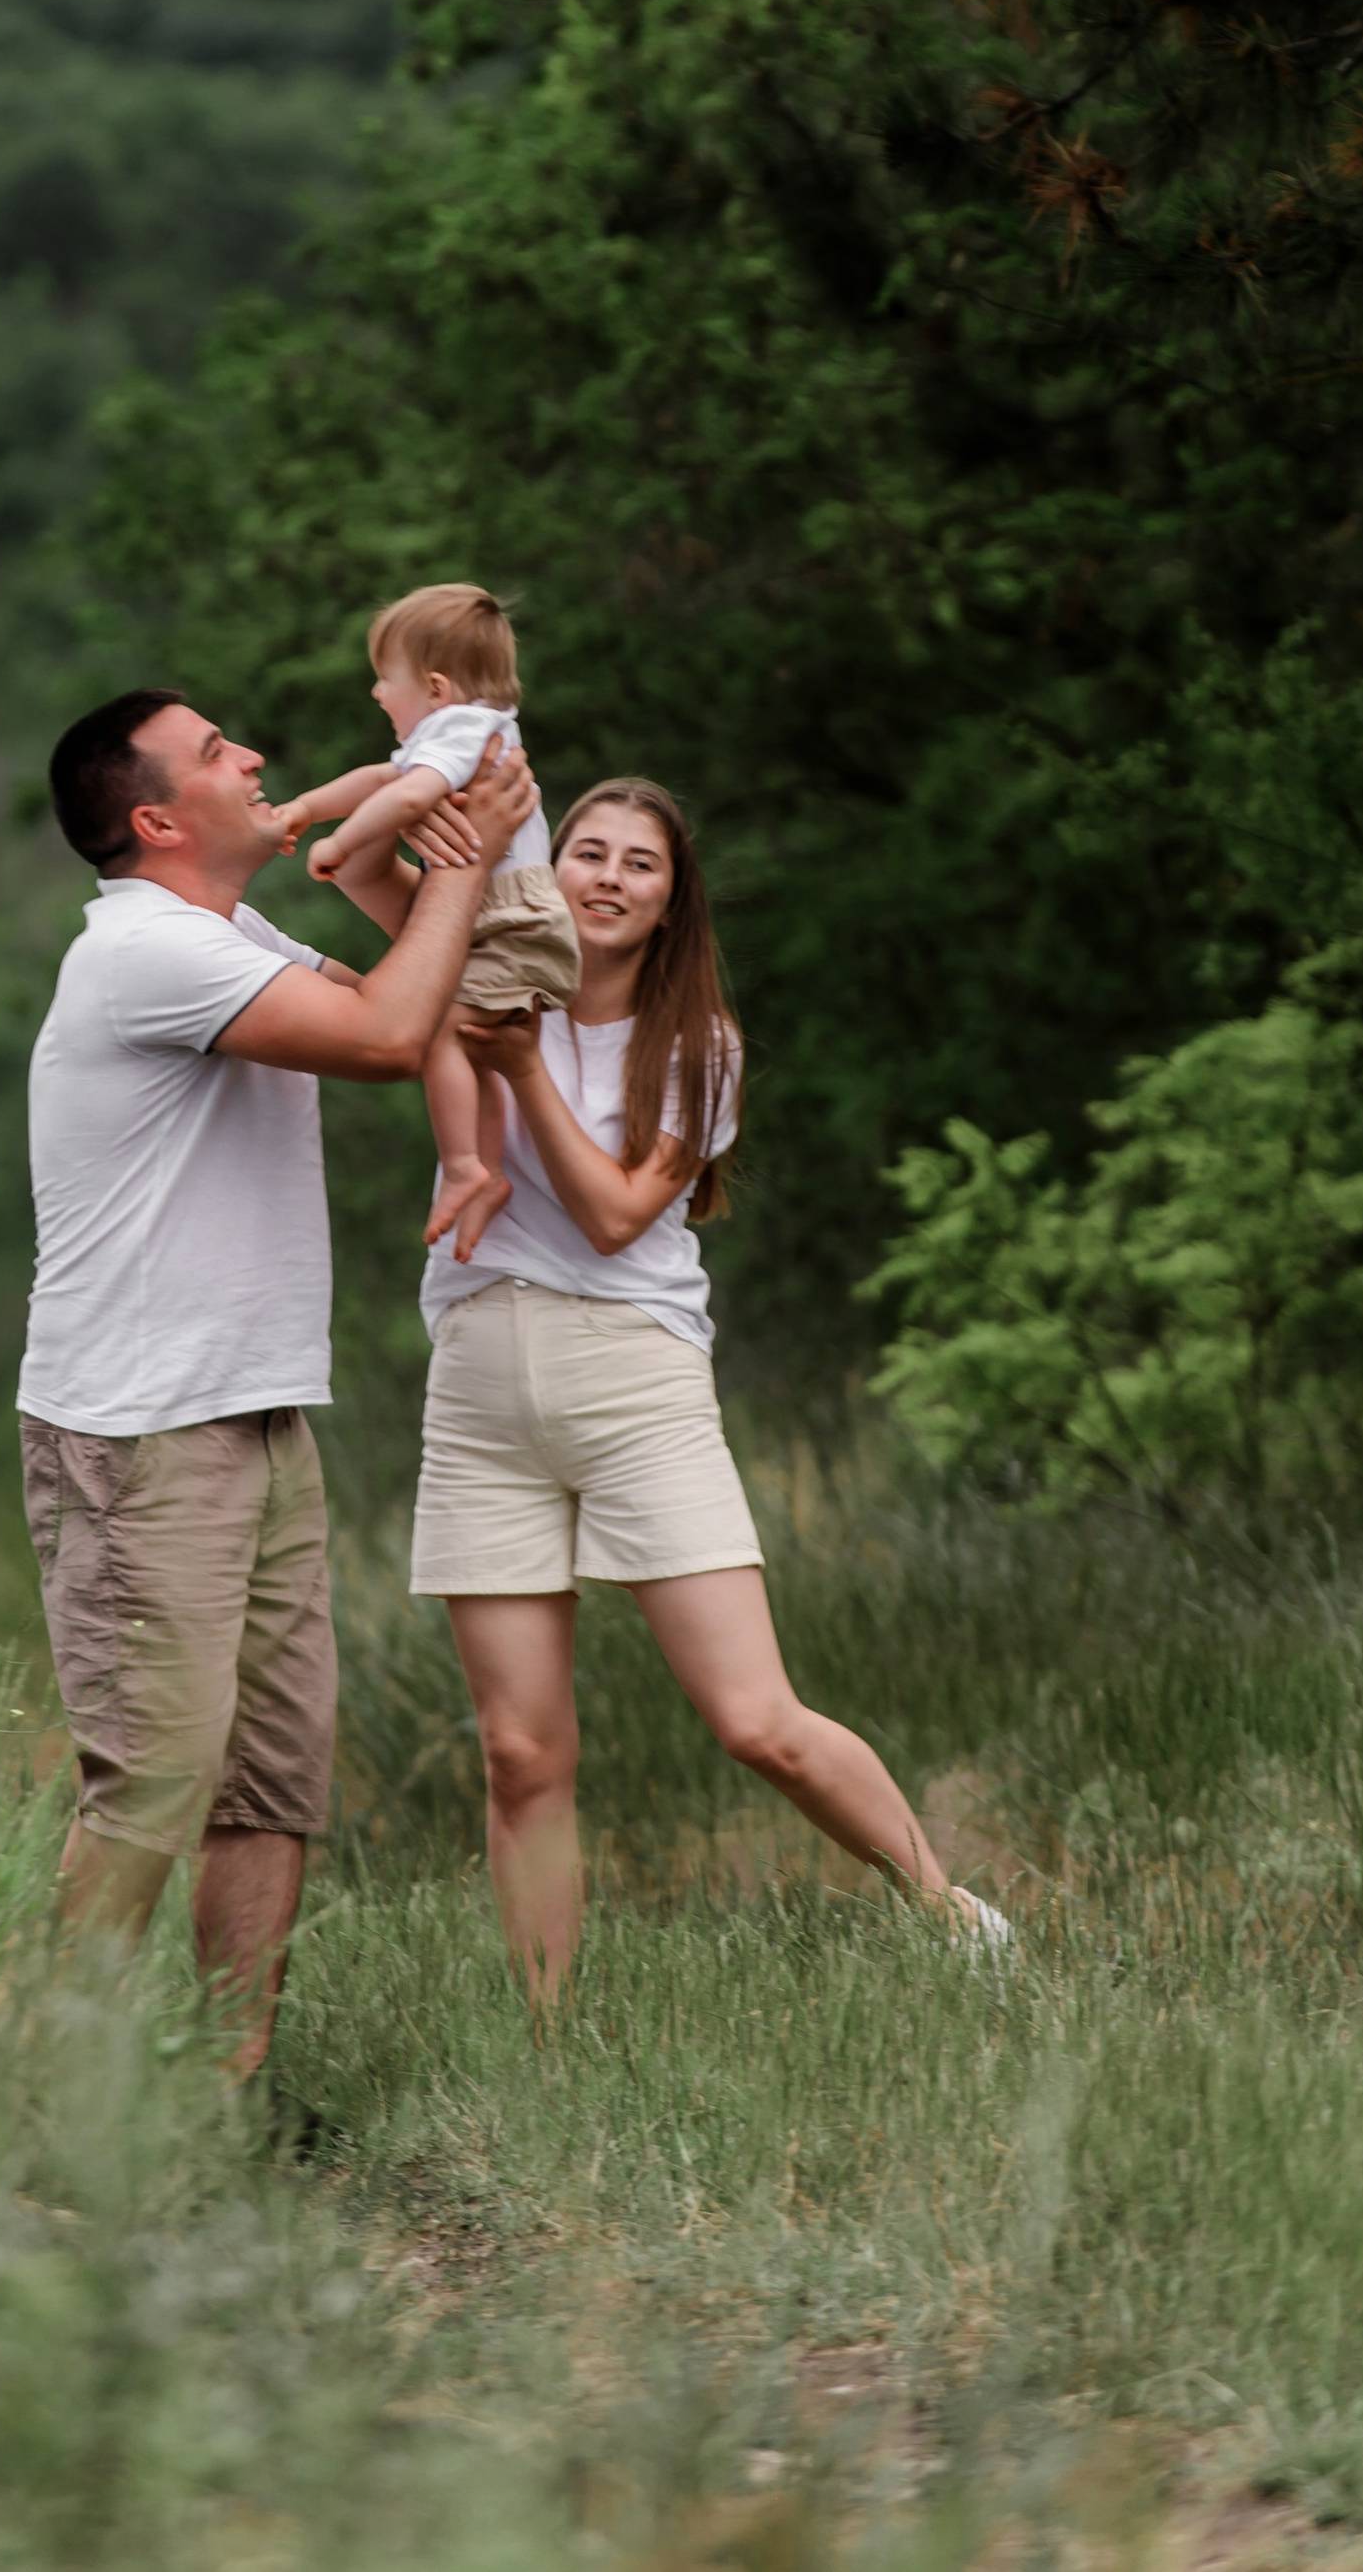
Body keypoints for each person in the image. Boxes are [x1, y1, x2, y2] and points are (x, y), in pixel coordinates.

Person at [410, 775, 1011, 2000]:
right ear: (551, 868)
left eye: (642, 863)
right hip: (477, 1381)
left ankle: (949, 1915)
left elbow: (619, 1215)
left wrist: (526, 1071)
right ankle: (546, 2042)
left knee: (754, 1721)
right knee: (520, 1753)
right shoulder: (479, 984)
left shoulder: (697, 1046)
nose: (609, 877)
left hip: (633, 1381)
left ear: (673, 901)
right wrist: (424, 780)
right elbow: (378, 891)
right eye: (586, 851)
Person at [20, 682, 536, 2075]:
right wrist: (464, 866)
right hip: (140, 1433)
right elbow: (381, 1040)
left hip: (251, 1412)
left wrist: (422, 855)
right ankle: (52, 2100)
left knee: (266, 1783)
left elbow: (401, 1005)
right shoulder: (141, 950)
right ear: (156, 815)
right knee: (157, 1778)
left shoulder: (224, 929)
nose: (252, 756)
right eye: (214, 752)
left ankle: (218, 2096)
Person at [275, 582, 580, 1264]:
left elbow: (406, 793)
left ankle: (464, 1162)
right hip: (508, 916)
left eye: (386, 679)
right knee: (474, 1044)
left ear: (436, 688)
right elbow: (381, 781)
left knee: (442, 1029)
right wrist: (305, 807)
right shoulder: (470, 728)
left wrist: (340, 842)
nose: (378, 694)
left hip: (512, 920)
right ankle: (488, 1169)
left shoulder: (461, 731)